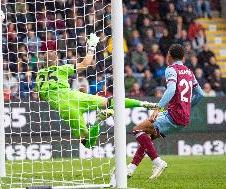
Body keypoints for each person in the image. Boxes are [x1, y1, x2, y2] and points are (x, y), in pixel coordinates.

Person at [35, 33, 157, 149]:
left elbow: (41, 96)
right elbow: (85, 63)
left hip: (65, 108)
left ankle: (98, 120)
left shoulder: (38, 77)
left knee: (87, 143)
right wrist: (92, 46)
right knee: (110, 102)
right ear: (55, 61)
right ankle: (144, 104)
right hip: (74, 96)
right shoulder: (60, 68)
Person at [112, 44, 204, 182]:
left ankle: (157, 161)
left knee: (137, 130)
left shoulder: (171, 69)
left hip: (172, 115)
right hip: (183, 118)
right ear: (183, 57)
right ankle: (131, 168)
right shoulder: (189, 72)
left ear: (170, 55)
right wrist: (187, 107)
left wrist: (157, 108)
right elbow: (200, 94)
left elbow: (171, 89)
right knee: (147, 138)